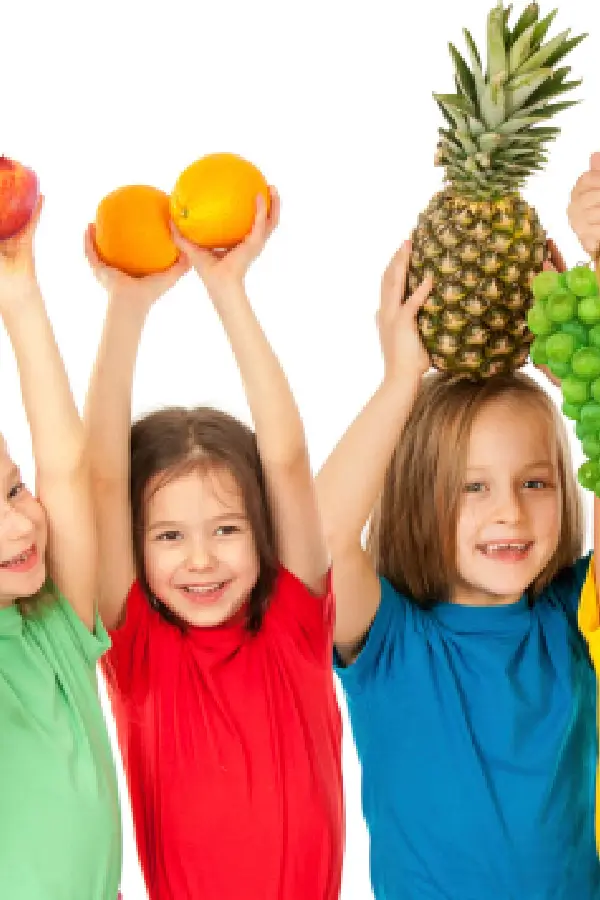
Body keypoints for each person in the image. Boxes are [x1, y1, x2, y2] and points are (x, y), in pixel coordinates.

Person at [317, 239, 600, 898]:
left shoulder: (575, 613)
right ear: (420, 496)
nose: (511, 513)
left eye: (535, 483)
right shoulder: (391, 641)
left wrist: (580, 384)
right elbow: (319, 541)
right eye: (473, 488)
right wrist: (398, 383)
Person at [84, 191, 343, 900]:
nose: (200, 560)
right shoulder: (136, 648)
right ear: (137, 549)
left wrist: (228, 290)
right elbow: (101, 477)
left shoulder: (294, 626)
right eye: (169, 536)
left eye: (226, 529)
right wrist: (126, 307)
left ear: (264, 532)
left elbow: (286, 459)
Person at [0, 199, 122, 899]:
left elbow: (67, 467)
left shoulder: (54, 629)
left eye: (14, 491)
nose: (20, 527)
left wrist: (18, 295)